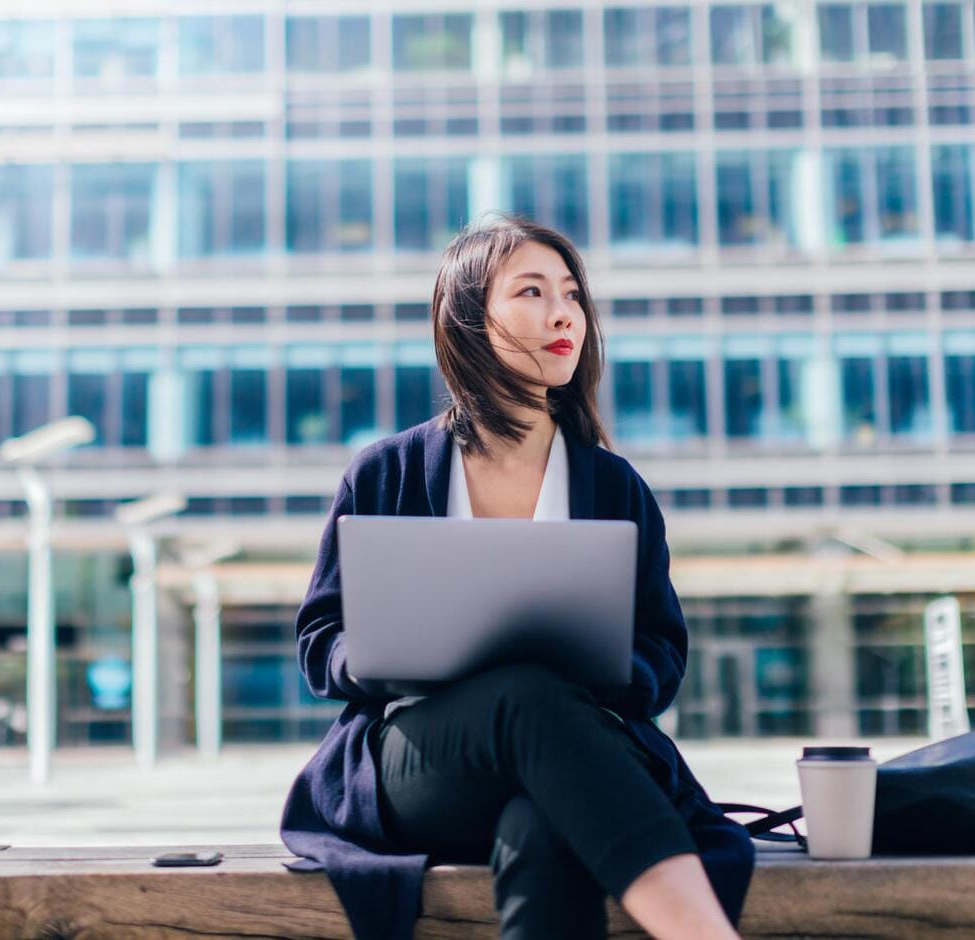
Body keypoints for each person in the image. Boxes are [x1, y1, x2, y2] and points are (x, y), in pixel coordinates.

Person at [280, 215, 754, 940]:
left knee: (542, 824)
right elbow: (321, 639)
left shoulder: (614, 485)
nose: (563, 313)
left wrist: (602, 666)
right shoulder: (387, 471)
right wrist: (379, 652)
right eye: (531, 292)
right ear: (469, 319)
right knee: (521, 693)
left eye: (572, 294)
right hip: (424, 763)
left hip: (573, 750)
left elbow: (662, 649)